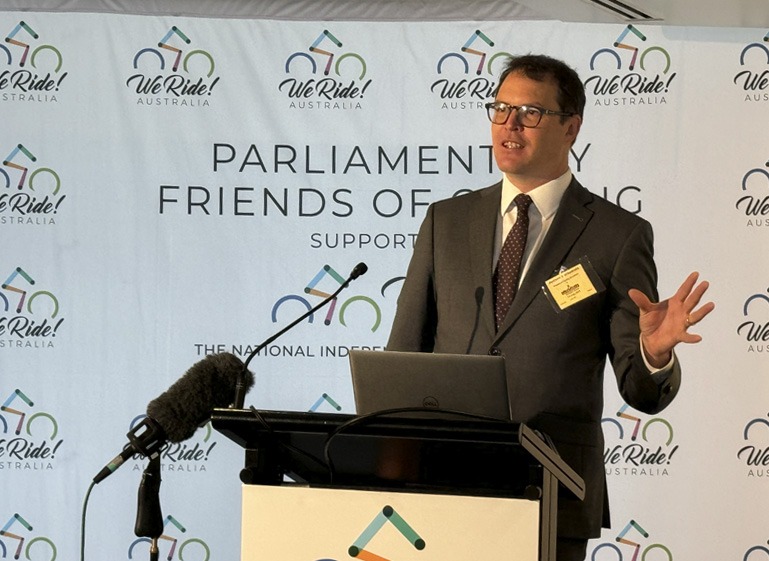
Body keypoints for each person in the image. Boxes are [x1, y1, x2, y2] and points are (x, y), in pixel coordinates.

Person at [387, 54, 714, 561]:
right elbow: (404, 355)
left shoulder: (617, 235)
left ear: (571, 128)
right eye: (500, 109)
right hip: (443, 486)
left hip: (550, 492)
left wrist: (652, 354)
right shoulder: (445, 221)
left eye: (530, 113)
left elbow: (640, 390)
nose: (510, 126)